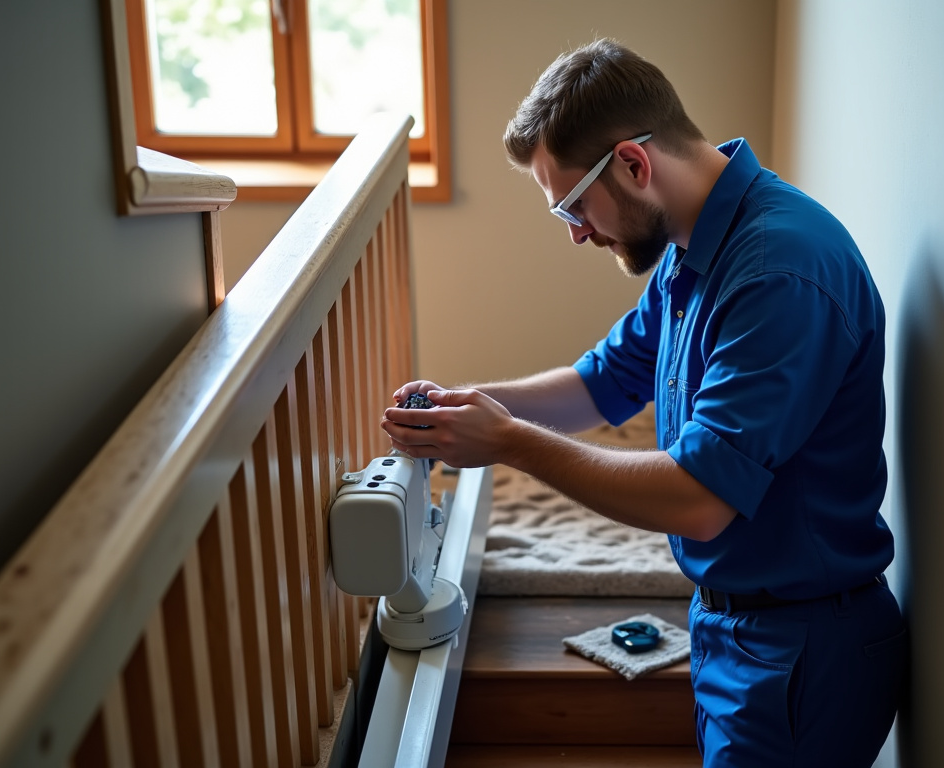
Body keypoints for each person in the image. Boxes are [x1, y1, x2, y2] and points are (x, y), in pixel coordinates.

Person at [381, 39, 906, 767]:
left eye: (573, 203)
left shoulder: (776, 272)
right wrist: (467, 406)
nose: (574, 232)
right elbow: (599, 385)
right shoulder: (694, 247)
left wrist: (509, 443)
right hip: (735, 627)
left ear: (633, 163)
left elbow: (699, 499)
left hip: (800, 650)